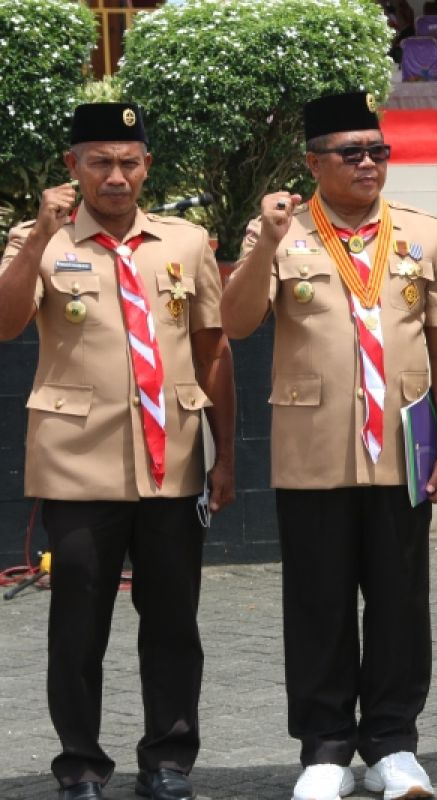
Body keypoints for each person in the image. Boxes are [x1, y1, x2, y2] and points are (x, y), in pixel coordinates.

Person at [220, 91, 437, 800]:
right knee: (319, 603)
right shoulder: (278, 232)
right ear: (312, 162)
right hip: (313, 449)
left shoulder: (423, 233)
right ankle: (325, 749)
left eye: (377, 151)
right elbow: (237, 325)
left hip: (404, 449)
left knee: (399, 603)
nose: (368, 164)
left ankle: (394, 745)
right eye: (351, 153)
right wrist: (264, 243)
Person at [0, 103, 235, 800]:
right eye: (99, 161)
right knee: (77, 625)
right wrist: (41, 233)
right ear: (72, 167)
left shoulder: (186, 242)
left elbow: (213, 351)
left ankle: (168, 760)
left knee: (172, 623)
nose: (115, 176)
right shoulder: (37, 237)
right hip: (78, 463)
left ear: (147, 168)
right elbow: (7, 322)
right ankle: (80, 765)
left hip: (175, 460)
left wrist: (226, 459)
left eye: (129, 162)